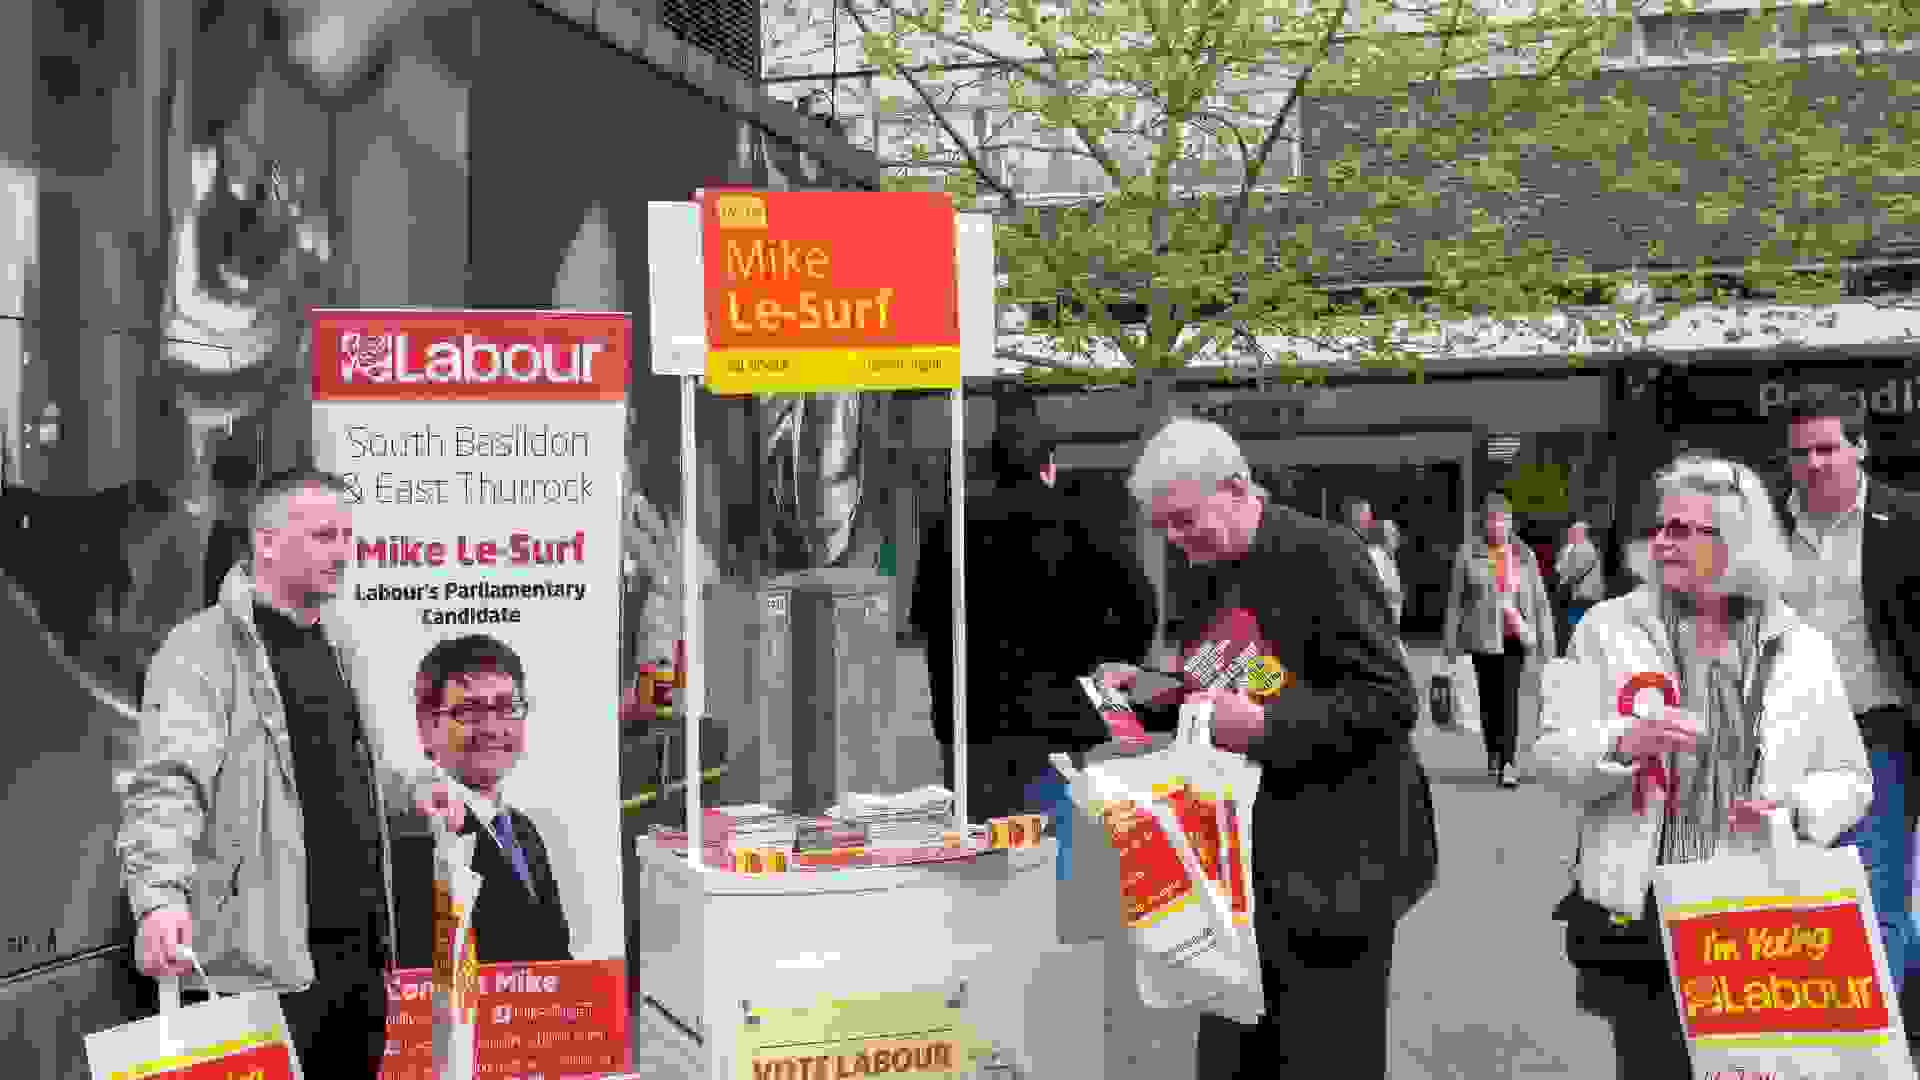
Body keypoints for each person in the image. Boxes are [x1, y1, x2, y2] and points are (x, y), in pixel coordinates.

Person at [1103, 418, 1437, 1079]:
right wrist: (1155, 695)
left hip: (1338, 868)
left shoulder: (1324, 555)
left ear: (1234, 488)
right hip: (1242, 872)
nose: (1174, 539)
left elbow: (1389, 701)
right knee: (1235, 1056)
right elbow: (1227, 681)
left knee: (1323, 1056)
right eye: (1163, 526)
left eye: (1184, 520)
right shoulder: (1205, 570)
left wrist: (1264, 728)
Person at [1530, 452, 1872, 1077]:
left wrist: (1796, 809)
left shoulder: (1801, 646)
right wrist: (1622, 743)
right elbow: (1552, 754)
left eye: (1684, 530)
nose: (1661, 542)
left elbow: (1850, 778)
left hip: (1759, 916)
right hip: (1643, 911)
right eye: (1661, 526)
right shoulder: (1608, 630)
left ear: (1738, 540)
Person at [116, 467, 460, 1079]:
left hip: (357, 958)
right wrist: (159, 900)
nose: (344, 553)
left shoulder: (338, 643)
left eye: (348, 536)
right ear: (268, 541)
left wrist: (415, 794)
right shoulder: (201, 650)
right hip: (259, 968)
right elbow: (166, 786)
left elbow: (352, 777)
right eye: (326, 535)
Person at [909, 411, 1159, 826]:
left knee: (982, 841)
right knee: (1047, 837)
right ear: (1050, 467)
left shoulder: (950, 527)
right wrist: (1115, 660)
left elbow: (927, 619)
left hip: (974, 717)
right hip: (1058, 712)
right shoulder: (1083, 521)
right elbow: (1140, 603)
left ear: (991, 468)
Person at [1780, 387, 1920, 993]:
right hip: (1785, 738)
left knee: (1878, 886)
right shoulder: (1762, 527)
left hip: (1877, 731)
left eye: (1827, 448)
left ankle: (1876, 1043)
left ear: (1859, 448)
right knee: (1796, 889)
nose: (1813, 463)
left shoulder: (1907, 519)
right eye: (1800, 452)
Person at [391, 635, 574, 969]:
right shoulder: (414, 833)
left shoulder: (523, 830)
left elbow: (555, 955)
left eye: (506, 707)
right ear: (426, 726)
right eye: (469, 710)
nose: (492, 727)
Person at [1445, 493, 1555, 788]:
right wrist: (1450, 644)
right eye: (1492, 520)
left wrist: (1547, 641)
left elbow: (1540, 600)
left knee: (1508, 699)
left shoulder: (1524, 555)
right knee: (1488, 699)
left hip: (1515, 637)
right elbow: (1456, 602)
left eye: (1502, 520)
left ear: (1510, 523)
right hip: (1482, 638)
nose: (1497, 526)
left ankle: (1508, 761)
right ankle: (1493, 750)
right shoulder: (1469, 553)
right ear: (1484, 523)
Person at [1554, 520, 1607, 653]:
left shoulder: (1585, 548)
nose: (1570, 534)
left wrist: (1563, 577)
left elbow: (1575, 572)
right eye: (1571, 531)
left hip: (1586, 595)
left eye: (1574, 532)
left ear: (1582, 533)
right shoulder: (1574, 548)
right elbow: (1562, 565)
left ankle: (1584, 653)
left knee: (1580, 625)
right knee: (1576, 625)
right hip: (1580, 595)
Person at [1368, 519, 1406, 628]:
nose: (1397, 537)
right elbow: (1371, 587)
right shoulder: (1374, 556)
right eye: (1393, 534)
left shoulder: (1389, 558)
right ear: (1382, 536)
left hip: (1389, 623)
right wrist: (1392, 594)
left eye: (1396, 533)